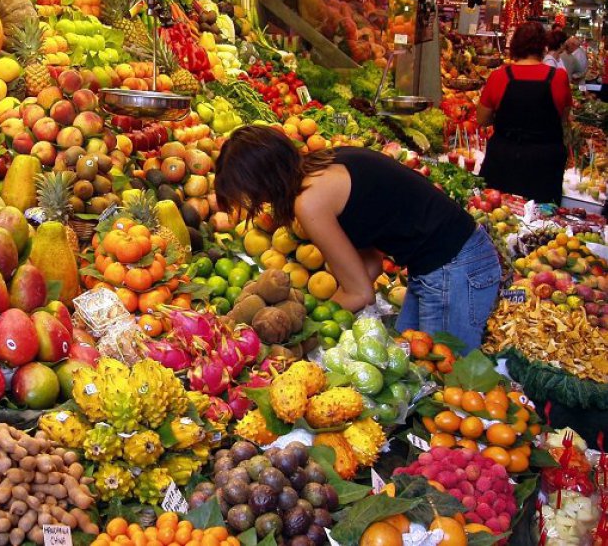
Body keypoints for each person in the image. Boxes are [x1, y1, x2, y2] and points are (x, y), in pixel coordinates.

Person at [214, 125, 501, 352]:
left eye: (250, 194)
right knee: (411, 365)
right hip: (443, 264)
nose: (258, 203)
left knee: (445, 383)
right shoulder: (326, 165)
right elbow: (371, 266)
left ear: (262, 180)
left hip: (454, 268)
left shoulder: (310, 201)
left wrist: (302, 325)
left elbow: (359, 293)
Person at [477, 22, 572, 203]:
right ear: (543, 46)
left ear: (514, 46)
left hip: (504, 158)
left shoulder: (499, 76)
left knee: (498, 214)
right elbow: (563, 118)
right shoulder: (558, 77)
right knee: (543, 221)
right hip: (544, 163)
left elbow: (482, 119)